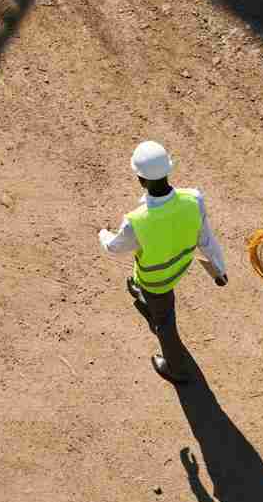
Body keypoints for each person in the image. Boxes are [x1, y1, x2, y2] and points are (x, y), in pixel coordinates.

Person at [98, 141, 228, 384]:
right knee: (152, 292)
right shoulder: (193, 199)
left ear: (140, 180)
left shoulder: (136, 220)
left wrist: (103, 234)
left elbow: (115, 247)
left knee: (165, 321)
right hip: (178, 269)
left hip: (156, 281)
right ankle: (141, 293)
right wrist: (219, 269)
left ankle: (175, 368)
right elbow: (206, 238)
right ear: (168, 171)